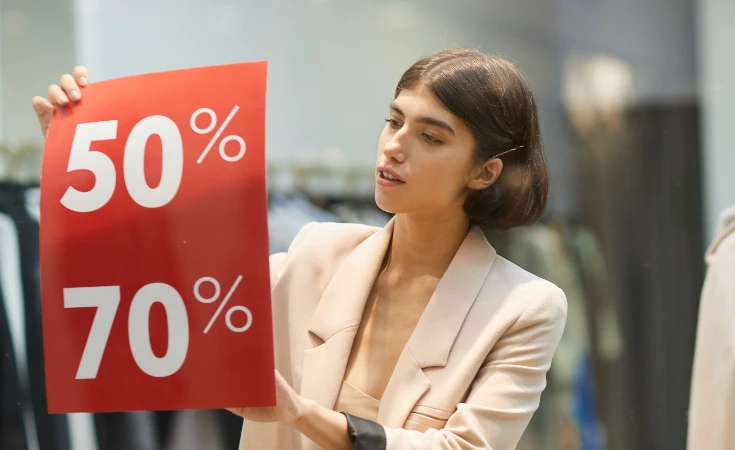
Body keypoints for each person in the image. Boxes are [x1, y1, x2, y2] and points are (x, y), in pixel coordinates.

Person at [33, 48, 569, 450]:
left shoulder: (523, 307)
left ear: (485, 171)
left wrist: (299, 413)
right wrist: (84, 163)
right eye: (394, 120)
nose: (395, 145)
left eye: (431, 136)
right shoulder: (316, 253)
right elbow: (166, 295)